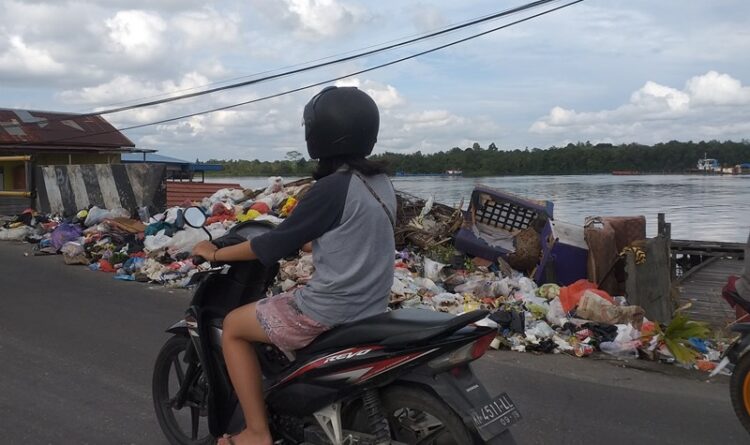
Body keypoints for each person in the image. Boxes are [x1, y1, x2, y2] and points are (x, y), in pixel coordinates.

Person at [192, 86, 396, 445]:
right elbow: (353, 232)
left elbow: (269, 245)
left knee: (235, 327)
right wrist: (312, 242)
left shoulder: (332, 188)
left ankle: (256, 432)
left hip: (332, 309)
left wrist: (214, 253)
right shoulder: (380, 183)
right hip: (371, 306)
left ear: (318, 134)